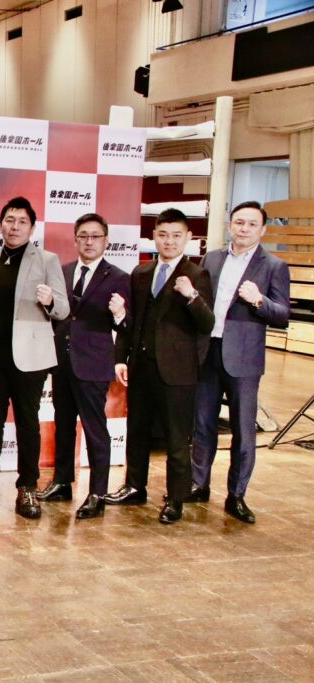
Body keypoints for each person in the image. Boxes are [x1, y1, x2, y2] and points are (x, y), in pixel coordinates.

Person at [104, 208, 214, 524]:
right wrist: (120, 358)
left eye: (176, 235)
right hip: (141, 366)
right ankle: (134, 487)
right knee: (137, 431)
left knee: (177, 439)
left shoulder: (197, 275)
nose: (169, 241)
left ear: (188, 237)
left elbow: (207, 323)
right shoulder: (141, 273)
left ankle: (176, 499)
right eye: (163, 234)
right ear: (154, 236)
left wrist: (191, 296)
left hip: (178, 372)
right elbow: (132, 322)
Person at [0, 196, 69, 519]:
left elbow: (63, 309)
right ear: (0, 224)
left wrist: (50, 301)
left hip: (30, 359)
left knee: (27, 422)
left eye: (22, 221)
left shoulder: (47, 260)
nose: (15, 226)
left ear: (32, 228)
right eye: (10, 220)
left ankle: (28, 486)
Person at [189, 201, 290, 524]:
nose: (244, 229)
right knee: (202, 424)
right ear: (229, 225)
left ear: (262, 230)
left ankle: (237, 495)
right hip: (208, 352)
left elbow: (283, 315)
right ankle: (198, 484)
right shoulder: (212, 258)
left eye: (251, 224)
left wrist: (258, 300)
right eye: (239, 222)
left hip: (244, 359)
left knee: (244, 431)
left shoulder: (273, 266)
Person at [37, 213, 130, 519]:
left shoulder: (118, 277)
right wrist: (49, 304)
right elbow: (57, 316)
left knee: (95, 430)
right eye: (84, 236)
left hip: (93, 364)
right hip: (62, 362)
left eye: (95, 236)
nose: (89, 242)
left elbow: (127, 326)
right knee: (63, 425)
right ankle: (62, 482)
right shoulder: (62, 272)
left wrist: (120, 315)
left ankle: (97, 492)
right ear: (75, 240)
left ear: (106, 240)